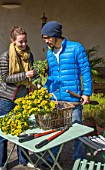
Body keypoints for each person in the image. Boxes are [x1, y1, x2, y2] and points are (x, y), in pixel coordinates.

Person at [41, 21, 92, 167]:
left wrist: (87, 93)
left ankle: (79, 160)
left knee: (77, 131)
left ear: (56, 35)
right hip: (56, 99)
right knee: (55, 130)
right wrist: (46, 89)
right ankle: (52, 159)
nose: (46, 41)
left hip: (73, 99)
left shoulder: (76, 48)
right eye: (44, 38)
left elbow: (85, 71)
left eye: (48, 37)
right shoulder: (50, 52)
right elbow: (51, 75)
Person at [0, 26, 36, 170]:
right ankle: (2, 164)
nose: (24, 44)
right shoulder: (5, 56)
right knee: (4, 133)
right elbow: (5, 78)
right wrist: (25, 75)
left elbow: (33, 73)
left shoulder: (29, 55)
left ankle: (24, 160)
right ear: (13, 41)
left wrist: (37, 72)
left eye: (25, 41)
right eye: (21, 42)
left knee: (24, 131)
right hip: (7, 99)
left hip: (23, 99)